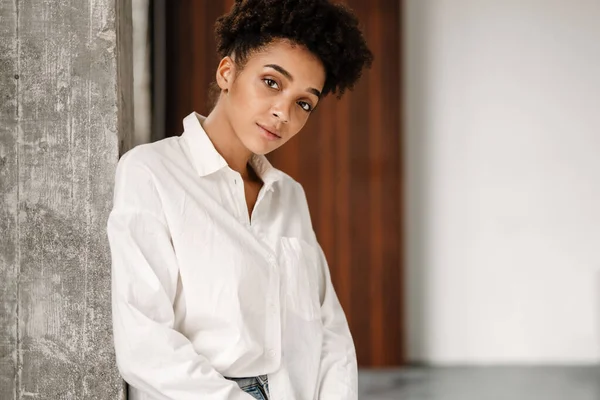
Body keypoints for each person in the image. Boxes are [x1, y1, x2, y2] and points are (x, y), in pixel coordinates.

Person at [106, 0, 373, 399]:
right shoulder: (150, 173)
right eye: (271, 82)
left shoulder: (288, 196)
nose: (283, 112)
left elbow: (329, 328)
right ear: (227, 72)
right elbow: (144, 342)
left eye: (304, 103)